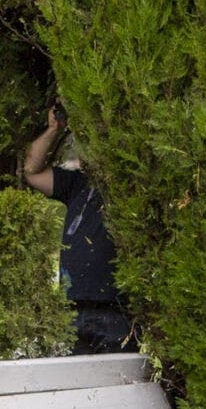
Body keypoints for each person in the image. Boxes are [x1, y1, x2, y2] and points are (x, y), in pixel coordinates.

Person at [23, 103, 137, 354]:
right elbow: (32, 171)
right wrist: (54, 130)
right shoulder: (78, 184)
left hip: (115, 310)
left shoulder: (130, 184)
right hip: (74, 307)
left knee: (114, 382)